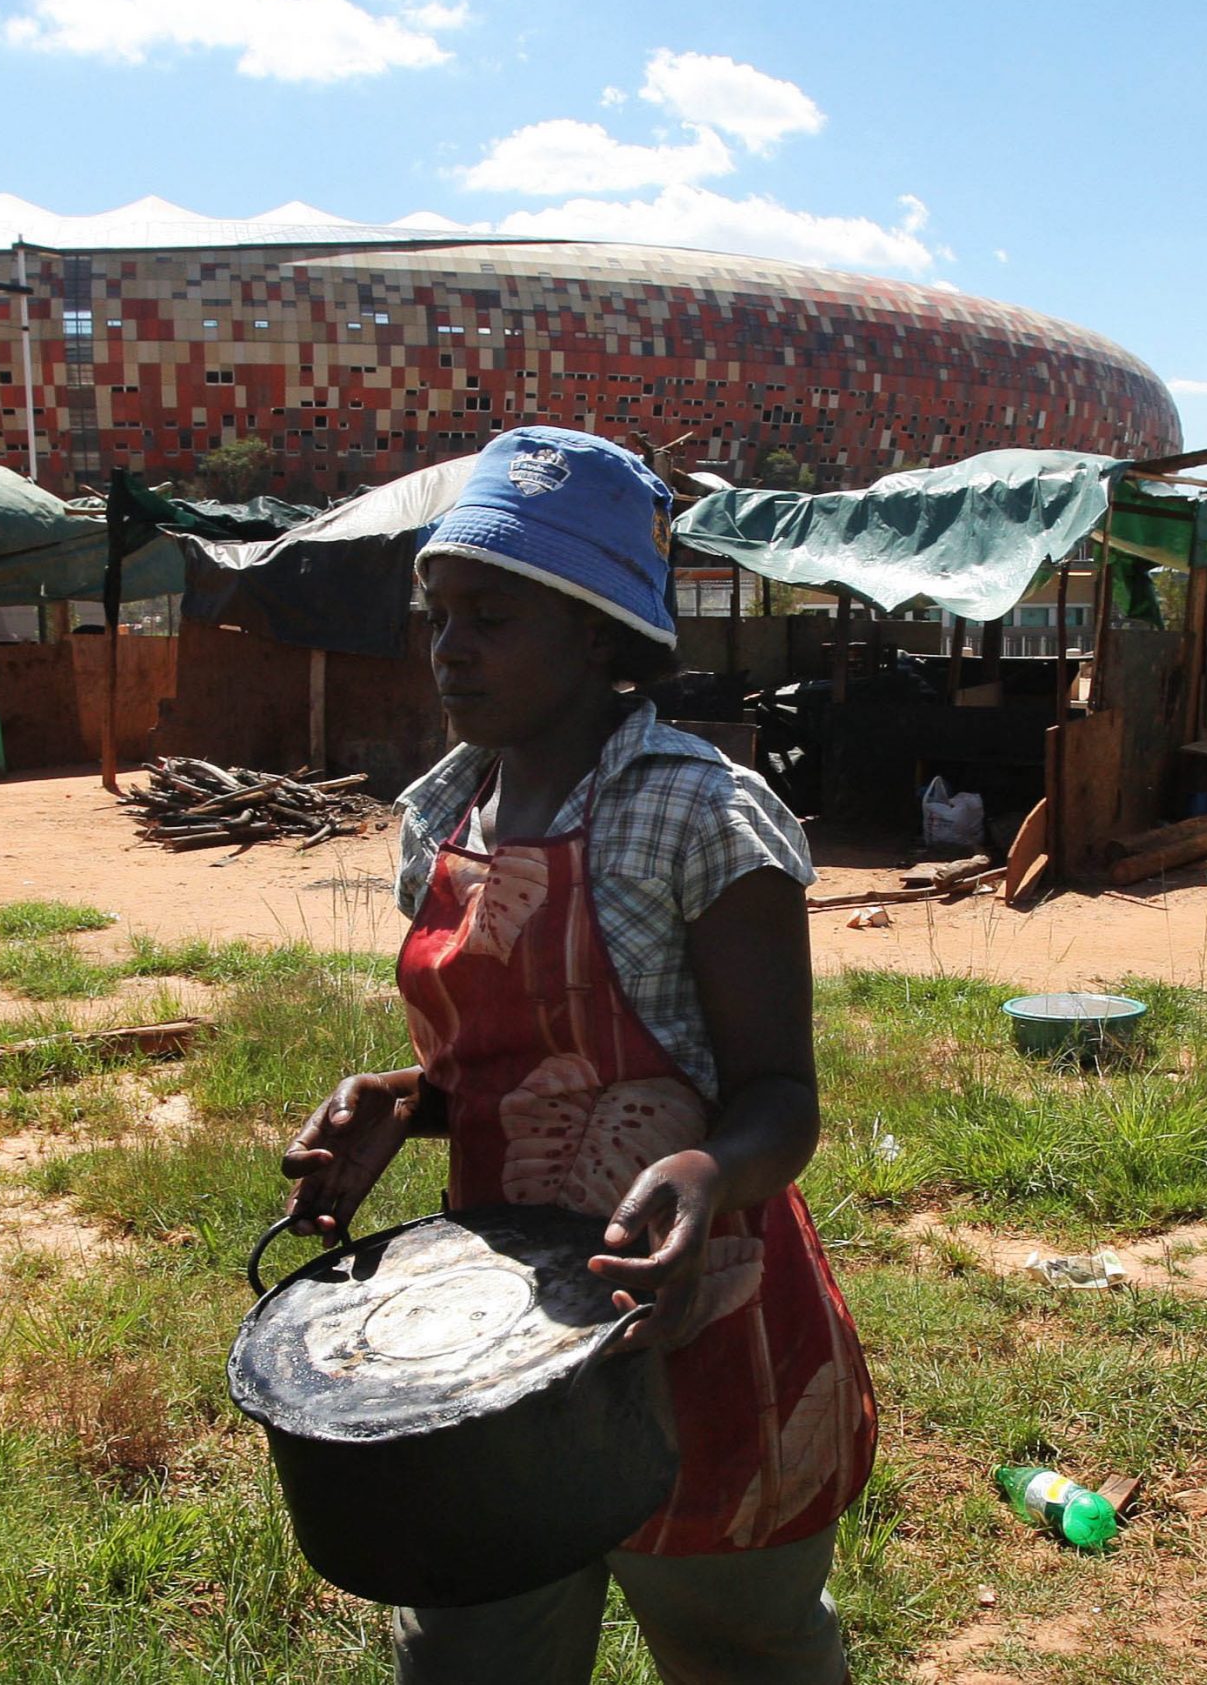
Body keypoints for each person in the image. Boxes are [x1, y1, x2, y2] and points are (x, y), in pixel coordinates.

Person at [281, 426, 876, 1685]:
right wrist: (400, 1102)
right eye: (439, 613)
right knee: (473, 1641)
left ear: (599, 634)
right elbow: (508, 1075)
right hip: (488, 1328)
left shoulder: (700, 814)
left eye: (491, 615)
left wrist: (712, 1171)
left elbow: (780, 1096)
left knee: (742, 1642)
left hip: (695, 1311)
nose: (451, 646)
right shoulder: (440, 816)